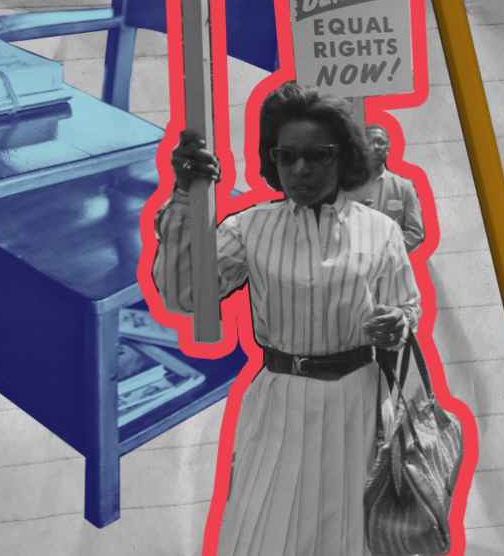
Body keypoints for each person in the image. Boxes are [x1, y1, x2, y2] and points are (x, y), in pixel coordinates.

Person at [153, 82, 421, 556]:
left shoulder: (379, 230)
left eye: (318, 155)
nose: (301, 169)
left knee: (348, 537)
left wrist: (396, 323)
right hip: (279, 400)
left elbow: (408, 305)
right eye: (286, 156)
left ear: (343, 157)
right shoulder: (251, 227)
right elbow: (184, 293)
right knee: (263, 532)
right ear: (271, 161)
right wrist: (183, 197)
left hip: (356, 404)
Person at [354, 124, 426, 252]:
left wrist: (389, 251)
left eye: (380, 142)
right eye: (369, 143)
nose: (376, 147)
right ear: (361, 148)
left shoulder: (404, 187)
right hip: (357, 264)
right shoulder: (348, 187)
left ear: (388, 148)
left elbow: (415, 233)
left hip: (392, 266)